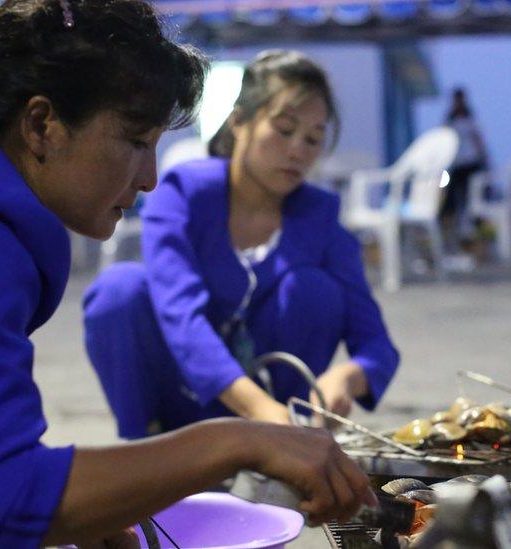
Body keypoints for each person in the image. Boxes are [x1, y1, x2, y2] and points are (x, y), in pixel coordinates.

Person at [0, 3, 375, 548]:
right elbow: (8, 496)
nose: (150, 179)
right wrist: (240, 442)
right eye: (137, 142)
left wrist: (97, 503)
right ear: (42, 125)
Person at [83, 50, 400, 437]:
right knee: (120, 289)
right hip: (181, 412)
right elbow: (180, 314)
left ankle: (275, 447)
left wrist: (350, 377)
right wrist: (257, 407)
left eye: (313, 138)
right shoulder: (182, 195)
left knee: (316, 290)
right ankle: (144, 449)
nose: (298, 149)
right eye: (284, 130)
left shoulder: (321, 221)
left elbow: (378, 347)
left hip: (276, 421)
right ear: (239, 123)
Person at [440, 87, 490, 249]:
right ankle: (454, 237)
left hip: (471, 164)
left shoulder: (470, 119)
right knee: (452, 201)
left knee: (472, 199)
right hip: (455, 166)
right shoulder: (449, 120)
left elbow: (478, 140)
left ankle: (471, 236)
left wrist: (485, 161)